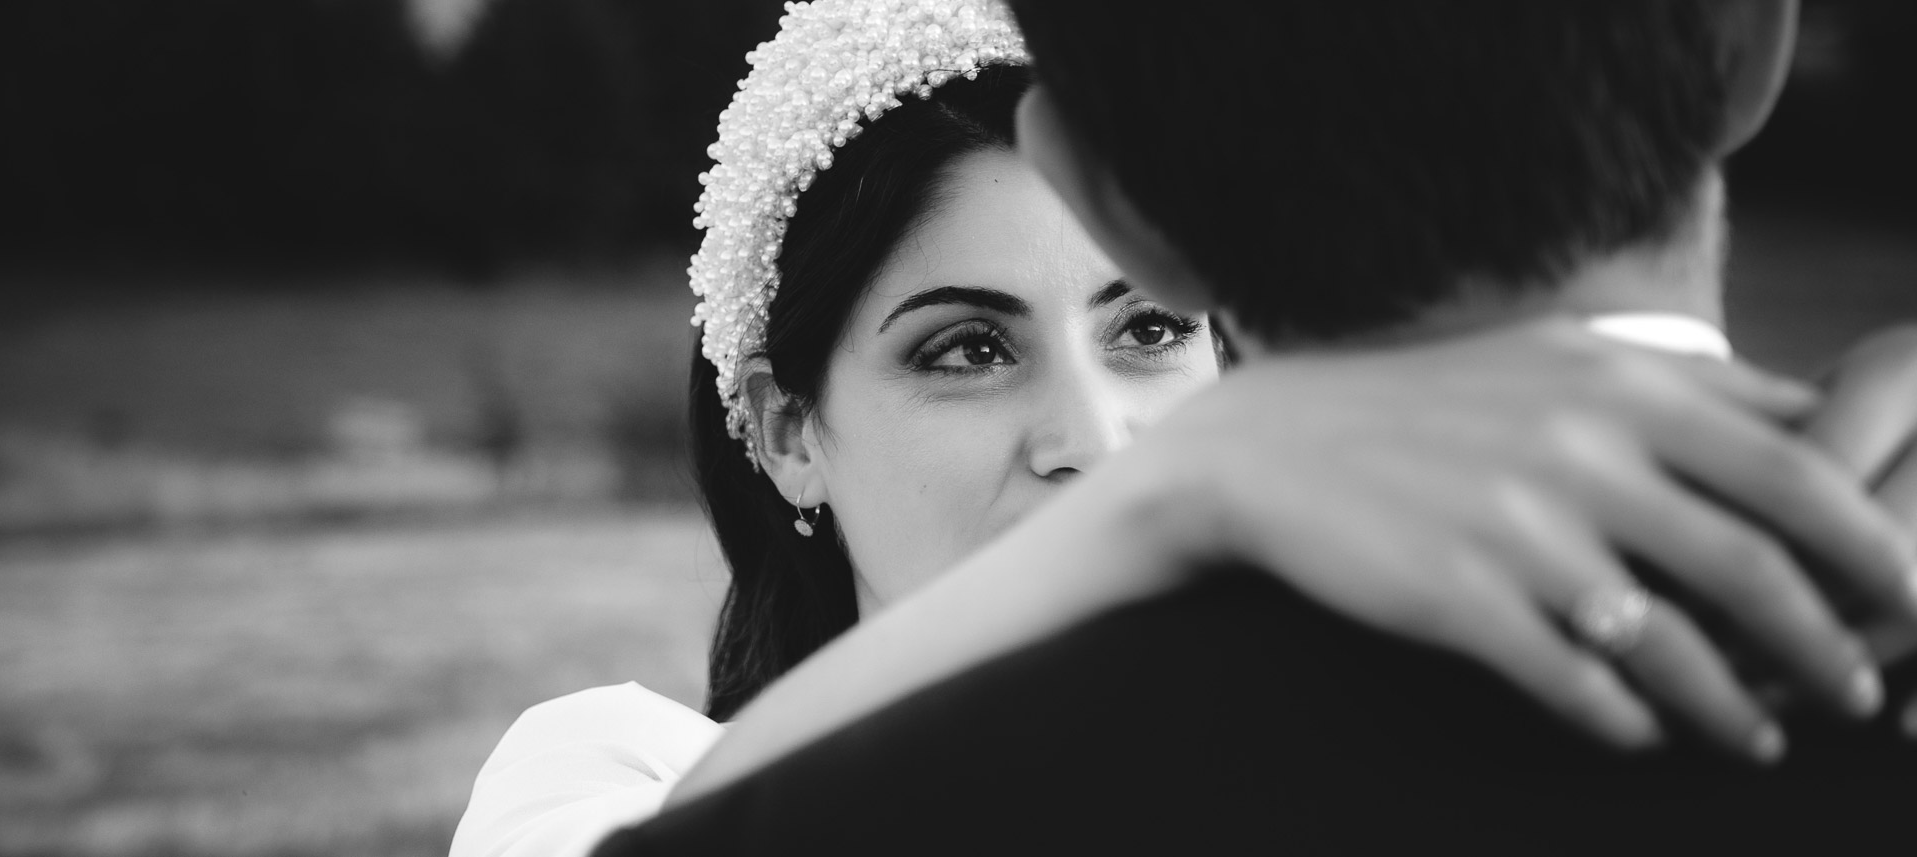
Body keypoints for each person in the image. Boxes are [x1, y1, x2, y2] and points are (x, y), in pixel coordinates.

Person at [459, 2, 1917, 854]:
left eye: (1146, 334)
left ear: (1156, 236)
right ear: (783, 431)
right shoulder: (611, 776)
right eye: (966, 349)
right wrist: (1187, 490)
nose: (1094, 443)